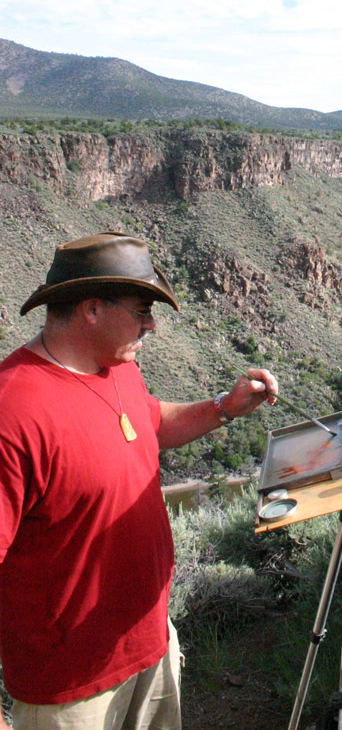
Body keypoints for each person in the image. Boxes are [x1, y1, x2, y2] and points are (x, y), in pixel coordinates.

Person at [0, 231, 278, 730]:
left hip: (150, 647)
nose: (152, 324)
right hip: (69, 694)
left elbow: (148, 423)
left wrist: (223, 407)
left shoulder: (116, 367)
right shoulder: (13, 411)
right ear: (91, 309)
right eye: (142, 308)